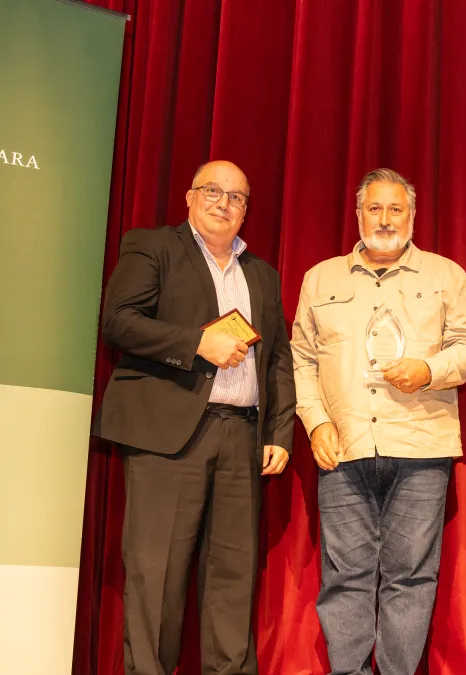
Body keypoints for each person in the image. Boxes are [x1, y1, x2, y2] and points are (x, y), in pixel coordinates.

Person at [95, 160, 296, 675]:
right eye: (213, 191)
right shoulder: (153, 246)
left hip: (242, 436)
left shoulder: (262, 273)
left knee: (233, 577)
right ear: (189, 196)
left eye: (236, 197)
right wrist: (196, 343)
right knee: (156, 575)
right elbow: (118, 321)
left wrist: (279, 432)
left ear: (246, 210)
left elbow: (278, 358)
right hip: (168, 437)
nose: (224, 204)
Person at [290, 168, 466, 675]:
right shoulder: (320, 278)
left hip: (421, 446)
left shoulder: (446, 275)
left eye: (396, 209)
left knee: (411, 577)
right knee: (345, 578)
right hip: (343, 446)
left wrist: (428, 370)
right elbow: (301, 360)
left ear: (412, 216)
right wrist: (315, 422)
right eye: (374, 208)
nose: (385, 219)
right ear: (358, 215)